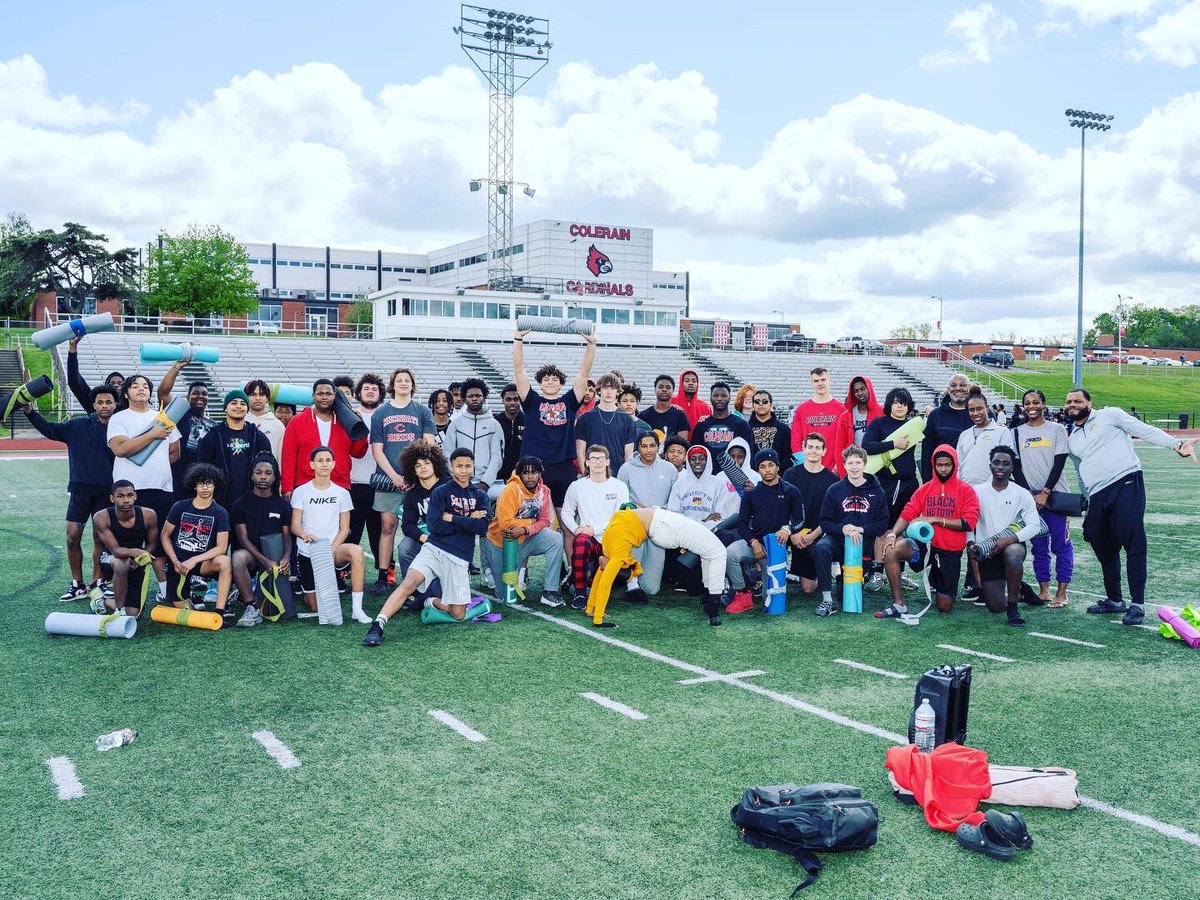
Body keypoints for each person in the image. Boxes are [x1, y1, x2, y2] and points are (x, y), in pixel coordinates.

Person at [1064, 388, 1198, 625]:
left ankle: (1137, 604)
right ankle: (1115, 600)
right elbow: (1080, 471)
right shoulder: (1072, 437)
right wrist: (1088, 504)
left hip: (1126, 481)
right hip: (1097, 494)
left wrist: (1176, 444)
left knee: (1133, 540)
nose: (1072, 404)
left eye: (1077, 400)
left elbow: (1143, 430)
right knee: (1101, 544)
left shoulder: (1109, 415)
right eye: (1068, 402)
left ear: (1089, 403)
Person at [362, 448, 492, 645]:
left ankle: (428, 601)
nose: (464, 470)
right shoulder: (442, 492)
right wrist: (467, 520)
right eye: (459, 466)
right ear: (452, 467)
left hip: (459, 557)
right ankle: (377, 625)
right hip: (434, 548)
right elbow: (436, 527)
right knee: (408, 583)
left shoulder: (480, 496)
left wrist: (452, 518)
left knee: (458, 614)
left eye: (468, 466)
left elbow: (482, 528)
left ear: (474, 468)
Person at [27, 385, 117, 601]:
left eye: (109, 402)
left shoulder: (121, 429)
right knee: (71, 538)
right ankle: (78, 584)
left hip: (106, 493)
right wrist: (31, 413)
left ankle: (97, 583)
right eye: (100, 402)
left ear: (116, 404)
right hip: (80, 490)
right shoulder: (77, 425)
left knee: (100, 540)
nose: (104, 406)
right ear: (93, 404)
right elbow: (49, 429)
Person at [877, 444, 979, 618]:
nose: (944, 469)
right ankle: (899, 604)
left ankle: (936, 577)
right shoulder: (926, 488)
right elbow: (908, 512)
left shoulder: (965, 490)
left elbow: (969, 522)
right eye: (940, 465)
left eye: (948, 465)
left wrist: (935, 519)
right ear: (934, 465)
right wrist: (893, 534)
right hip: (925, 546)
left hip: (949, 551)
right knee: (891, 551)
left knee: (944, 606)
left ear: (954, 465)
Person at [588, 506, 729, 629]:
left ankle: (710, 598)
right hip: (663, 525)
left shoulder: (610, 545)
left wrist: (591, 608)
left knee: (710, 551)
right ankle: (713, 606)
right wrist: (598, 620)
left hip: (662, 523)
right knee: (717, 551)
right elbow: (605, 581)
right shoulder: (617, 547)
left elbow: (602, 573)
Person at [107, 374, 182, 599]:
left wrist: (151, 461)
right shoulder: (119, 418)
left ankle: (164, 591)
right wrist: (153, 435)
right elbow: (120, 449)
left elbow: (175, 451)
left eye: (146, 386)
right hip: (131, 492)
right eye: (135, 386)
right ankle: (123, 593)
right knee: (127, 545)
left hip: (161, 488)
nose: (142, 389)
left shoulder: (162, 416)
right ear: (126, 392)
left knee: (160, 542)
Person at [513, 325, 598, 514]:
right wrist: (518, 339)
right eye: (546, 379)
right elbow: (519, 372)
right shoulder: (532, 401)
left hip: (563, 466)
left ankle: (568, 545)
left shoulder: (569, 401)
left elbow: (584, 373)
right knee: (533, 518)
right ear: (540, 384)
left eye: (554, 379)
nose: (550, 381)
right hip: (534, 467)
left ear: (561, 384)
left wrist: (591, 344)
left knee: (565, 518)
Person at [369, 368, 436, 594]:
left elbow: (429, 445)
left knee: (421, 527)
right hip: (389, 479)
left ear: (412, 385)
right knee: (387, 526)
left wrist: (414, 474)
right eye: (399, 380)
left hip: (417, 481)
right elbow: (377, 450)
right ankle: (382, 576)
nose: (404, 383)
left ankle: (423, 573)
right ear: (392, 385)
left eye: (407, 380)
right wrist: (395, 477)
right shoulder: (381, 413)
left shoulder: (422, 411)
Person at [290, 446, 369, 623]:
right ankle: (312, 589)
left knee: (357, 551)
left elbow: (345, 529)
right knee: (315, 606)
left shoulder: (342, 493)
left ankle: (357, 609)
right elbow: (295, 526)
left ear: (333, 464)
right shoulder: (301, 491)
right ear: (312, 465)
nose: (324, 464)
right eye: (320, 460)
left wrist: (332, 548)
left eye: (327, 460)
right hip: (309, 553)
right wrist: (304, 535)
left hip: (333, 551)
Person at [810, 445, 889, 617]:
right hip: (838, 541)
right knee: (821, 547)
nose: (854, 467)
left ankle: (842, 579)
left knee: (846, 595)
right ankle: (826, 600)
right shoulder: (835, 489)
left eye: (858, 462)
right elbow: (824, 521)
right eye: (850, 463)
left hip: (861, 546)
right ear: (844, 465)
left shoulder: (877, 491)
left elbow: (883, 523)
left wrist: (861, 529)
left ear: (865, 464)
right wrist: (843, 528)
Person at [723, 449, 805, 614]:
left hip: (776, 548)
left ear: (778, 467)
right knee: (729, 553)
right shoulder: (751, 494)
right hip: (757, 545)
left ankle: (756, 577)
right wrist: (753, 543)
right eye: (762, 467)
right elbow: (742, 524)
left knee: (772, 601)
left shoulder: (791, 491)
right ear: (758, 470)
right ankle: (743, 592)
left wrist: (787, 529)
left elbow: (800, 520)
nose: (767, 470)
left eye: (771, 465)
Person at [967, 446, 1041, 627]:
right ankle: (1020, 589)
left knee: (1014, 553)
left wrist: (1007, 540)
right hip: (988, 552)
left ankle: (1013, 607)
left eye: (1006, 463)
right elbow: (969, 522)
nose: (1000, 467)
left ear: (1012, 467)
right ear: (990, 466)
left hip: (1011, 545)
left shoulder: (1021, 493)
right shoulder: (977, 492)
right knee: (994, 606)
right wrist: (970, 543)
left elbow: (1035, 526)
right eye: (996, 463)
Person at [1012, 389, 1073, 607]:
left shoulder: (1056, 429)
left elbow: (1059, 463)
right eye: (1027, 403)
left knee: (1061, 545)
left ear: (1044, 405)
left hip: (1055, 496)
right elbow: (1016, 466)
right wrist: (1028, 493)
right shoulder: (1016, 432)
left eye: (1036, 402)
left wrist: (1045, 492)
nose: (1031, 406)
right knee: (1039, 546)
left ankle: (1062, 593)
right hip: (1031, 498)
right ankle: (1044, 590)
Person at [483, 456, 563, 607]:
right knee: (504, 594)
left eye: (534, 472)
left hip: (527, 538)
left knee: (556, 539)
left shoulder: (544, 491)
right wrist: (532, 521)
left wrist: (525, 529)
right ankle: (491, 572)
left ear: (540, 473)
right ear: (520, 474)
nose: (530, 476)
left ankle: (550, 591)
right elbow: (506, 524)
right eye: (526, 473)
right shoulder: (511, 489)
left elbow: (545, 521)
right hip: (502, 543)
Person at [160, 463, 233, 621]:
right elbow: (164, 536)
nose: (205, 488)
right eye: (201, 484)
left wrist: (194, 560)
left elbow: (222, 547)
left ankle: (220, 612)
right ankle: (191, 600)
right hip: (178, 564)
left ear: (215, 485)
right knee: (185, 612)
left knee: (225, 561)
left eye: (209, 483)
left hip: (202, 563)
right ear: (194, 486)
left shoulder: (220, 512)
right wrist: (175, 561)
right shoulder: (179, 507)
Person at [560, 445, 630, 610]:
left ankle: (603, 580)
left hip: (611, 541)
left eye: (601, 458)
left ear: (608, 462)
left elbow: (619, 517)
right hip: (589, 539)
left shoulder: (619, 486)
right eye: (593, 458)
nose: (597, 462)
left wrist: (595, 529)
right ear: (587, 462)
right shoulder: (577, 486)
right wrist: (576, 529)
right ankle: (579, 593)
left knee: (608, 582)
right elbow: (566, 513)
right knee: (581, 541)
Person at [862, 387, 919, 589]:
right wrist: (894, 443)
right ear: (889, 405)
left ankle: (898, 572)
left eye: (904, 402)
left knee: (901, 527)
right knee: (882, 526)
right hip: (884, 483)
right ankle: (877, 571)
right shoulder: (879, 423)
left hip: (908, 484)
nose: (900, 406)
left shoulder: (913, 425)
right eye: (896, 402)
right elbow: (867, 446)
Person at [229, 453, 292, 628]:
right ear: (251, 475)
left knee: (286, 611)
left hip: (275, 557)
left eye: (267, 473)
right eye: (258, 472)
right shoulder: (240, 504)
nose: (263, 476)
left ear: (274, 477)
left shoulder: (283, 505)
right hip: (252, 556)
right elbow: (242, 538)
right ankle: (251, 606)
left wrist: (286, 557)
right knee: (237, 557)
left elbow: (287, 536)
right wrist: (264, 560)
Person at [280, 378, 369, 499]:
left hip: (339, 485)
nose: (324, 397)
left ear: (334, 396)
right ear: (313, 396)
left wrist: (359, 425)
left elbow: (358, 453)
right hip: (305, 485)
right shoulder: (297, 421)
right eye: (320, 394)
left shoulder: (346, 421)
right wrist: (287, 487)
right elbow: (288, 457)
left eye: (328, 394)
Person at [617, 430, 679, 598]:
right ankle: (631, 582)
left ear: (658, 447)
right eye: (644, 446)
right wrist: (638, 508)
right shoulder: (626, 469)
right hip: (635, 524)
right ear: (638, 447)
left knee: (652, 589)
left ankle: (638, 579)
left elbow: (675, 497)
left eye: (652, 446)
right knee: (633, 548)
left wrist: (660, 510)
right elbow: (622, 498)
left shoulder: (670, 469)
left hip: (659, 525)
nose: (648, 450)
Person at [91, 481, 161, 616]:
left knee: (134, 615)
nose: (126, 500)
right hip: (110, 559)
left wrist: (140, 558)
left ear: (135, 496)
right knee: (122, 563)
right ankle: (119, 609)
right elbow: (116, 550)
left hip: (137, 560)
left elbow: (152, 544)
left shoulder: (148, 515)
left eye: (129, 495)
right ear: (112, 498)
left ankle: (103, 600)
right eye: (120, 496)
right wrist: (136, 552)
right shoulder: (101, 517)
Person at [396, 442, 451, 610]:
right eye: (418, 465)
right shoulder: (413, 493)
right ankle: (413, 591)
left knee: (443, 596)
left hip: (450, 543)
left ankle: (434, 593)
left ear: (435, 464)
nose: (423, 468)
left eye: (427, 463)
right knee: (405, 546)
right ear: (413, 469)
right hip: (427, 540)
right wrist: (424, 537)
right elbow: (407, 525)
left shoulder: (449, 486)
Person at [195, 389, 271, 510]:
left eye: (243, 403)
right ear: (225, 407)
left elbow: (268, 468)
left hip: (250, 500)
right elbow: (202, 469)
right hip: (220, 501)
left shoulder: (258, 436)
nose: (238, 407)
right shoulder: (213, 436)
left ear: (247, 408)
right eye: (234, 403)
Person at [782, 433, 839, 594]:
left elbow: (831, 516)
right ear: (804, 449)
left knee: (808, 589)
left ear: (824, 451)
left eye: (818, 448)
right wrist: (792, 533)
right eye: (810, 447)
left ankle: (825, 567)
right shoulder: (790, 475)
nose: (814, 451)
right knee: (771, 538)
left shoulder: (832, 480)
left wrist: (812, 536)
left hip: (816, 535)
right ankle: (765, 580)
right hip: (793, 532)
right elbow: (783, 508)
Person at [347, 373, 385, 579]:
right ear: (359, 392)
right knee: (351, 531)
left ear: (381, 394)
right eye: (366, 388)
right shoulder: (350, 415)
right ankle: (345, 572)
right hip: (353, 483)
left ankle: (383, 574)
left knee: (379, 533)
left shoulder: (386, 416)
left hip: (380, 483)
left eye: (375, 389)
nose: (370, 392)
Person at [157, 363, 213, 498]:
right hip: (179, 478)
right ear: (188, 397)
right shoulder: (180, 413)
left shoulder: (213, 425)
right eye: (195, 393)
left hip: (202, 482)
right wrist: (177, 368)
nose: (200, 396)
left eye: (204, 394)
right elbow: (163, 393)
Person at [444, 378, 504, 499]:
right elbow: (447, 454)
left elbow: (497, 457)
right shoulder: (455, 425)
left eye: (478, 395)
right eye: (470, 396)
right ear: (465, 399)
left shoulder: (494, 425)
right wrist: (460, 479)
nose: (474, 398)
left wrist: (485, 484)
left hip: (489, 484)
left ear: (484, 397)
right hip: (459, 482)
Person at [575, 373, 636, 476]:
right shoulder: (585, 418)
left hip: (617, 477)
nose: (609, 392)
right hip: (591, 477)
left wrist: (623, 478)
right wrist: (585, 475)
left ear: (617, 391)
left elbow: (628, 455)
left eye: (612, 388)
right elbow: (580, 452)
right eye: (605, 387)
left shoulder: (627, 420)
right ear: (599, 390)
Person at [955, 389, 1013, 487]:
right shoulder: (964, 434)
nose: (975, 413)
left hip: (991, 490)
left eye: (979, 408)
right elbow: (958, 464)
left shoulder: (1002, 432)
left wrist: (988, 487)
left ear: (987, 408)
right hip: (966, 491)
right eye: (971, 410)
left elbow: (1006, 463)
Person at [691, 382, 753, 473]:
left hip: (733, 477)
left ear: (729, 398)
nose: (719, 399)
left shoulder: (741, 425)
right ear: (710, 398)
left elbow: (749, 453)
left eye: (723, 395)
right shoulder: (701, 425)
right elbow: (694, 452)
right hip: (708, 476)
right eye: (716, 395)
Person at [789, 367, 843, 470]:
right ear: (812, 383)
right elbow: (796, 441)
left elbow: (845, 440)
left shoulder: (841, 409)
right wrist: (805, 464)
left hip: (834, 469)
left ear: (829, 381)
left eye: (823, 380)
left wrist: (839, 464)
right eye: (816, 381)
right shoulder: (802, 409)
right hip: (808, 468)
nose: (820, 383)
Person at [922, 373, 972, 480]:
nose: (958, 388)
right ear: (948, 389)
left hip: (973, 480)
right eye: (953, 385)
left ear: (969, 388)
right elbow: (927, 452)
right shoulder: (935, 416)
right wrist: (928, 482)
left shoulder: (979, 415)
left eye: (962, 385)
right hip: (943, 479)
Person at [832, 376, 883, 472]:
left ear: (869, 388)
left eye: (863, 389)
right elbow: (839, 447)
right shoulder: (845, 417)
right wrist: (843, 473)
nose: (859, 393)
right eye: (855, 391)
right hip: (854, 466)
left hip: (879, 465)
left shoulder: (882, 413)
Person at [64, 334, 125, 411]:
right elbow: (74, 382)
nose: (116, 385)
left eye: (120, 383)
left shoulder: (132, 408)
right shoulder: (94, 405)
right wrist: (73, 347)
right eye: (112, 383)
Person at [747, 389, 792, 474]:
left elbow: (787, 457)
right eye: (757, 401)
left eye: (765, 401)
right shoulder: (745, 428)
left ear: (771, 404)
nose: (761, 404)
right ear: (753, 405)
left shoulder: (784, 429)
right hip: (751, 480)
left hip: (778, 480)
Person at [244, 379, 286, 463]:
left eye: (261, 394)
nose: (257, 398)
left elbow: (281, 456)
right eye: (253, 394)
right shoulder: (241, 421)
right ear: (246, 397)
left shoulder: (277, 424)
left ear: (267, 398)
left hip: (269, 473)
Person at [638, 374, 690, 440]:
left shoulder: (680, 415)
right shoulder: (644, 415)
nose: (664, 390)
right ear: (655, 389)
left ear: (673, 391)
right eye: (661, 387)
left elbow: (682, 444)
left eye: (668, 387)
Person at [494, 383, 526, 482]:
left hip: (521, 476)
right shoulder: (495, 421)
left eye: (516, 399)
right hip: (497, 475)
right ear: (502, 401)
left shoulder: (528, 421)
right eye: (508, 399)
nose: (512, 402)